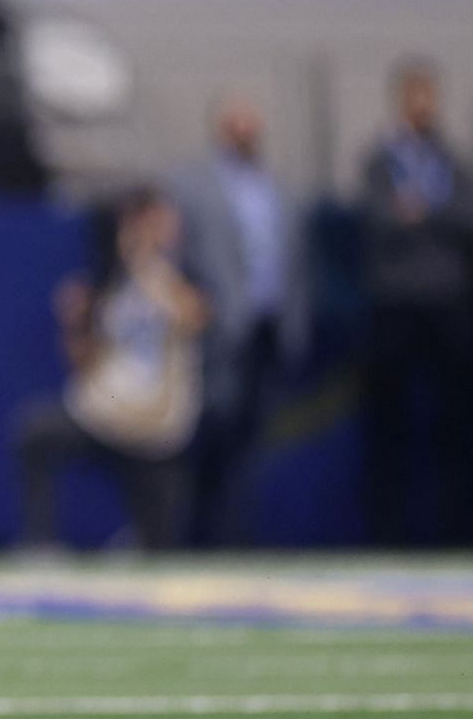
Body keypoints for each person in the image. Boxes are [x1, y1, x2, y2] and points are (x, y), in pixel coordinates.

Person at [15, 189, 209, 551]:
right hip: (106, 412)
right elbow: (82, 362)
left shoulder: (184, 273)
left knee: (161, 543)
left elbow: (192, 318)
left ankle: (137, 539)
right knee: (34, 433)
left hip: (156, 426)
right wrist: (74, 325)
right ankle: (41, 543)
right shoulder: (107, 279)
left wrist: (148, 265)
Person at [166, 96, 308, 546]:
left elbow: (297, 264)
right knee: (211, 431)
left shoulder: (279, 188)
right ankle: (193, 534)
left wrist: (295, 322)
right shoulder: (192, 184)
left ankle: (234, 535)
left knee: (251, 438)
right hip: (219, 329)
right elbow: (177, 251)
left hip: (269, 326)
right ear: (221, 128)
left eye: (253, 122)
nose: (246, 131)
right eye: (237, 122)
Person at [360, 59, 473, 544]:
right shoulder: (380, 160)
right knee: (390, 427)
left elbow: (468, 219)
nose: (425, 105)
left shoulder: (450, 159)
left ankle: (456, 532)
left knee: (456, 426)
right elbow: (382, 220)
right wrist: (433, 216)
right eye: (416, 95)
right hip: (395, 307)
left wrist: (420, 212)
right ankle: (386, 534)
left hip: (450, 307)